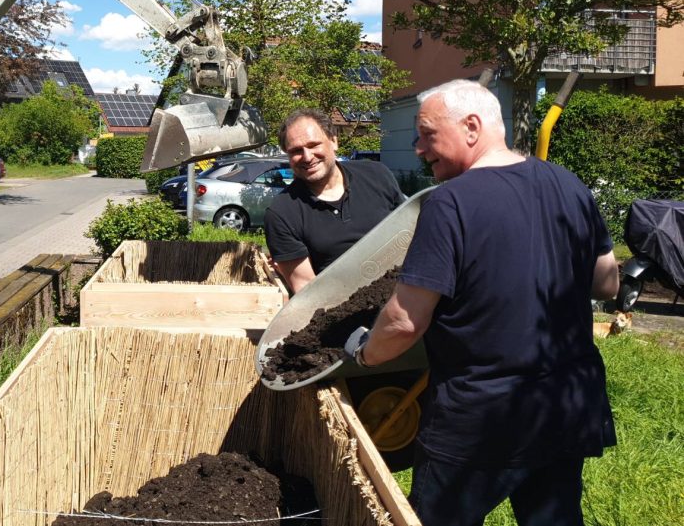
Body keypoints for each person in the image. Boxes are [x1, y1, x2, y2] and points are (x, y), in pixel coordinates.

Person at [344, 79, 620, 526]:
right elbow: (606, 282)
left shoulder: (450, 203)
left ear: (471, 126)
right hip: (565, 406)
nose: (418, 147)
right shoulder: (569, 186)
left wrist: (364, 354)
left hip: (482, 422)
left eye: (427, 134)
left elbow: (403, 322)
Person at [264, 108, 406, 293]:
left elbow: (410, 233)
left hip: (407, 295)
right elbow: (306, 290)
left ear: (334, 141)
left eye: (314, 145)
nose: (307, 157)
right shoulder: (282, 212)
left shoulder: (377, 175)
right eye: (296, 151)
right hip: (342, 311)